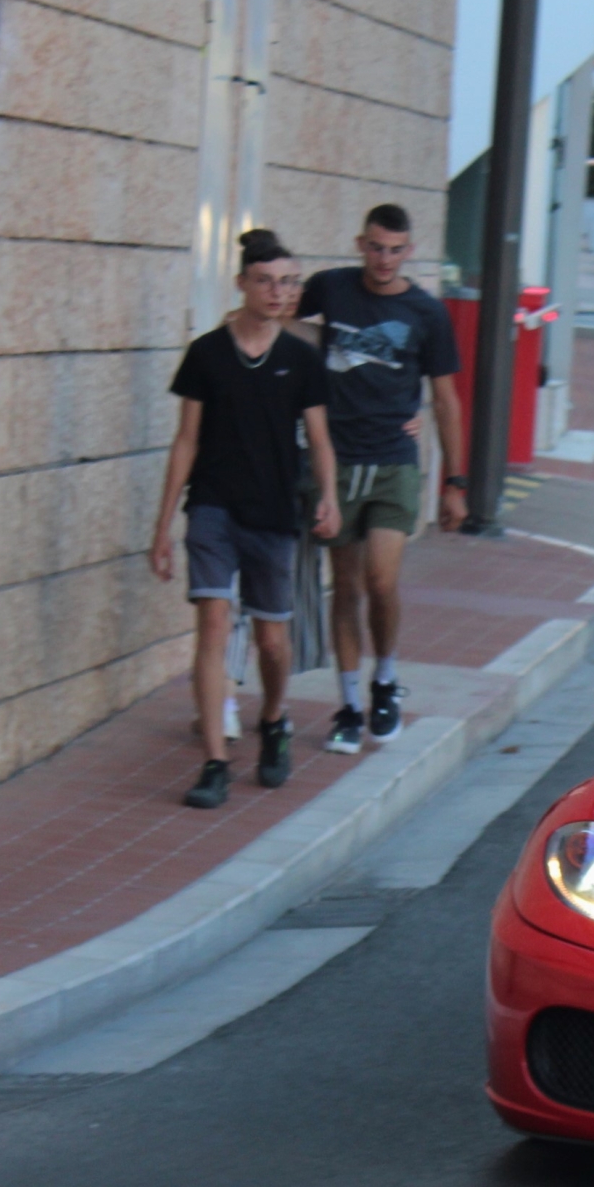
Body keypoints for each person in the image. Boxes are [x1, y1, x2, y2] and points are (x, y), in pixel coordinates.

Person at [150, 229, 338, 809]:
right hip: (212, 507)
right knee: (212, 622)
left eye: (288, 282)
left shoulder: (301, 359)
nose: (279, 293)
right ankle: (215, 761)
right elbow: (186, 441)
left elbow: (319, 436)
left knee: (273, 640)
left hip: (274, 513)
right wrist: (161, 527)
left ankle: (274, 719)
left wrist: (328, 495)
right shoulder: (207, 353)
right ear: (242, 284)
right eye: (267, 282)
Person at [297, 203, 466, 753]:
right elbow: (284, 326)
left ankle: (385, 679)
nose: (384, 259)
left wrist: (455, 482)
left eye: (395, 249)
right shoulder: (331, 288)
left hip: (395, 461)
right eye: (375, 247)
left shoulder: (427, 312)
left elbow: (445, 398)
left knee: (380, 581)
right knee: (343, 585)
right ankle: (348, 705)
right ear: (359, 243)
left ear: (409, 250)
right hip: (336, 461)